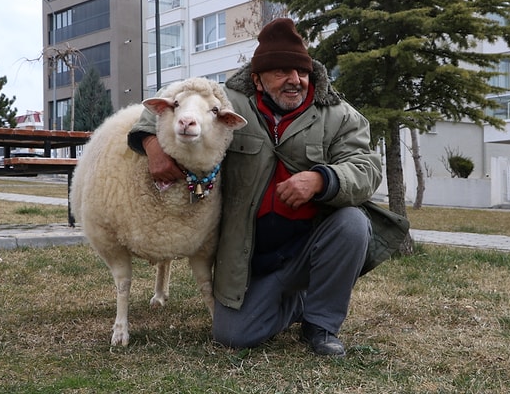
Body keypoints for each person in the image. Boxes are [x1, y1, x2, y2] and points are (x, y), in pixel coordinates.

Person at [128, 18, 383, 357]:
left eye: (301, 72)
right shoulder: (226, 101)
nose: (295, 80)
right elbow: (167, 103)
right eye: (281, 72)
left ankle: (320, 326)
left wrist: (322, 179)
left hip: (310, 244)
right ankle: (298, 303)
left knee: (352, 223)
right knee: (234, 336)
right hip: (250, 256)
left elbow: (366, 167)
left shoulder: (337, 113)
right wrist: (152, 145)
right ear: (257, 80)